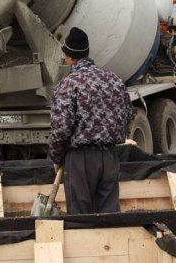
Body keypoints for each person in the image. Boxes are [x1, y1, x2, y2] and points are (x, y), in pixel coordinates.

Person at [48, 27, 132, 215]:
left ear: (68, 56)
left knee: (81, 217)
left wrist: (57, 156)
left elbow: (61, 128)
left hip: (81, 159)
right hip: (110, 157)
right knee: (109, 215)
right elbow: (128, 114)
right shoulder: (114, 79)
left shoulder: (69, 84)